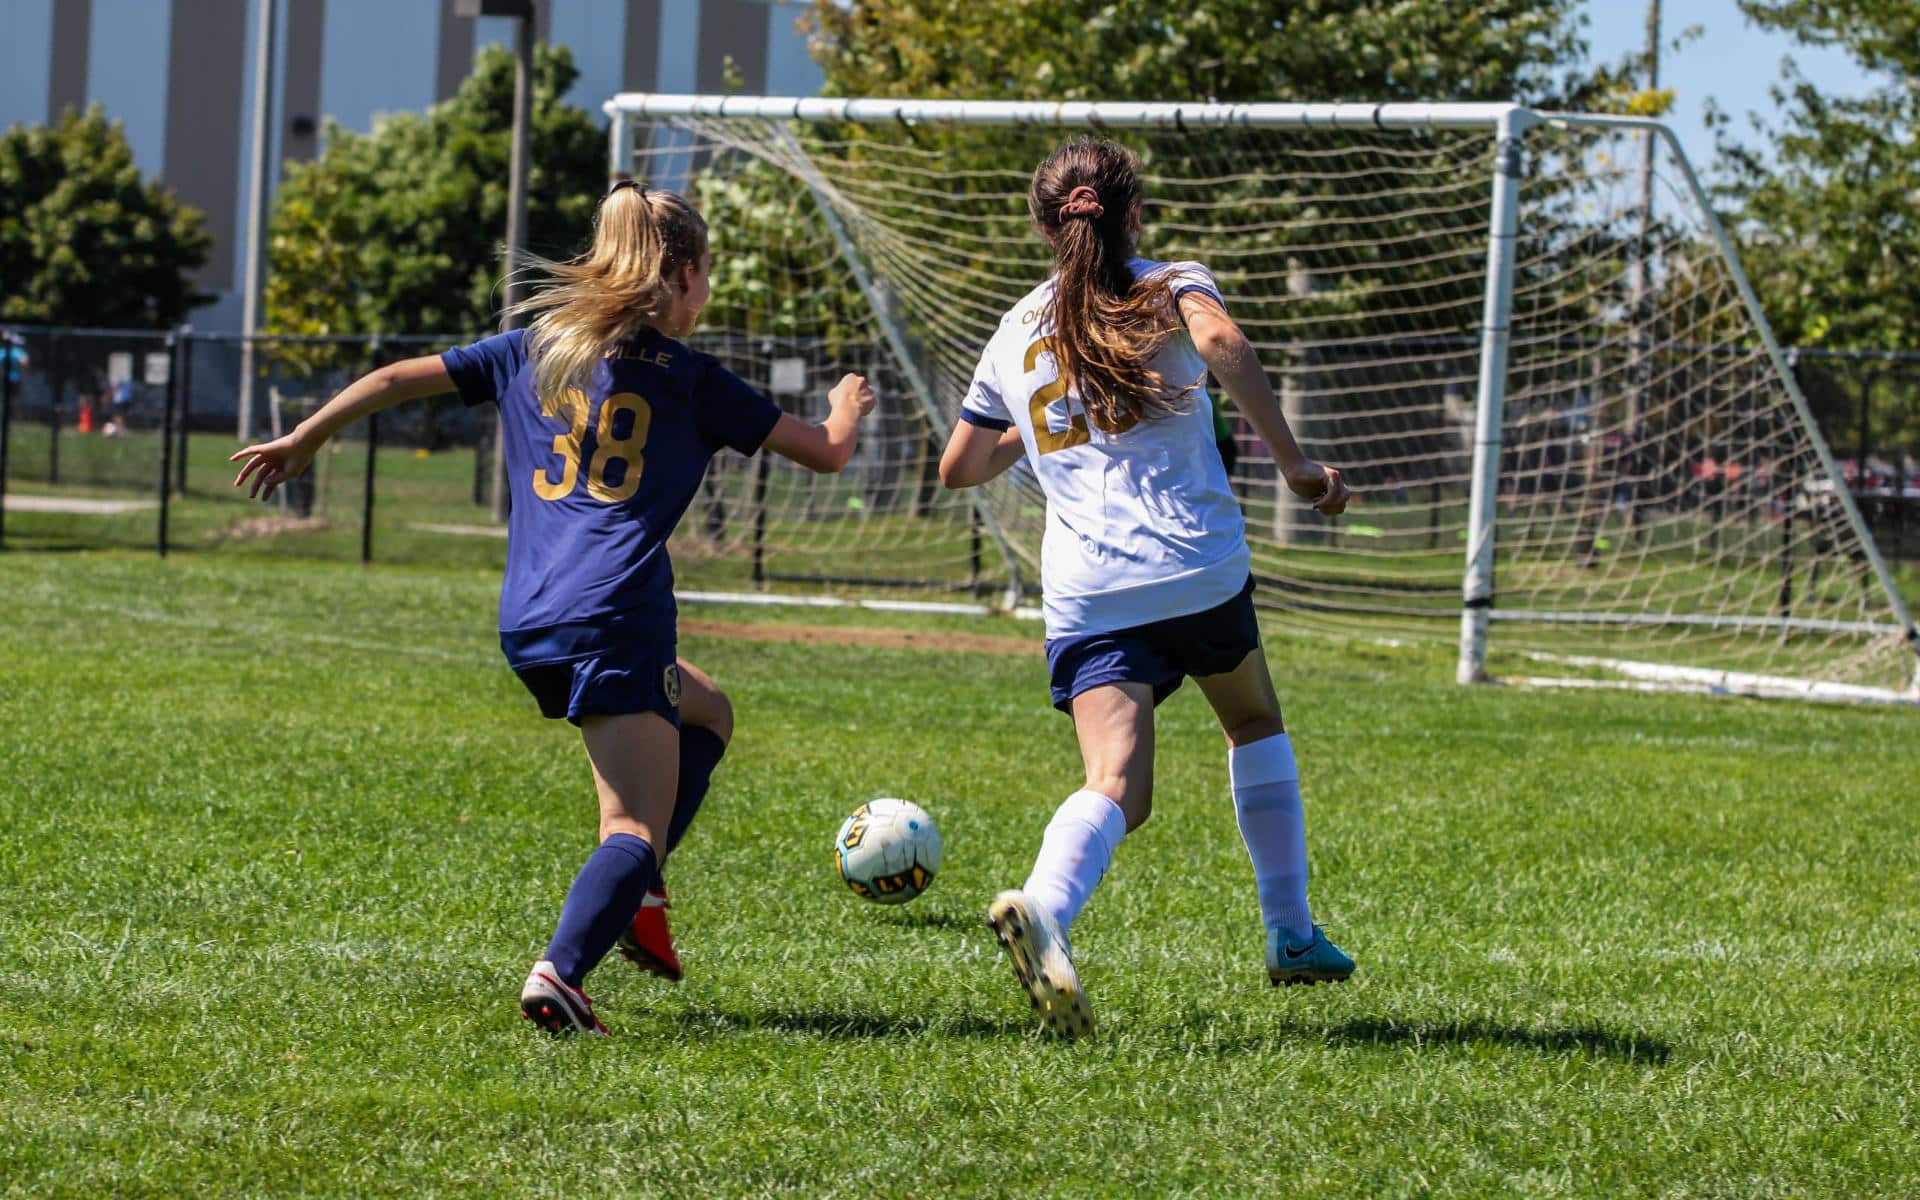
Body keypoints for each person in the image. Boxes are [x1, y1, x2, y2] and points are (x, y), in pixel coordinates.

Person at [232, 182, 876, 1034]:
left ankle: (638, 892)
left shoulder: (535, 348)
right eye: (706, 274)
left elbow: (393, 377)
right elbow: (826, 455)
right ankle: (564, 972)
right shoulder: (691, 379)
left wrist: (302, 439)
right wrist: (845, 407)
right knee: (634, 825)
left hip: (532, 618)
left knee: (709, 711)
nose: (707, 292)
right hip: (616, 612)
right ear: (680, 275)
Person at [938, 139, 1354, 1039]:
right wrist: (1294, 465)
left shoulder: (1014, 331)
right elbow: (1222, 342)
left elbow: (961, 464)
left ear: (1045, 225)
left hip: (1088, 589)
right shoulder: (1168, 281)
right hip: (1194, 562)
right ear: (1135, 214)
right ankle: (1289, 932)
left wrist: (1054, 421)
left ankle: (1046, 906)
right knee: (1251, 722)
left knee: (1117, 781)